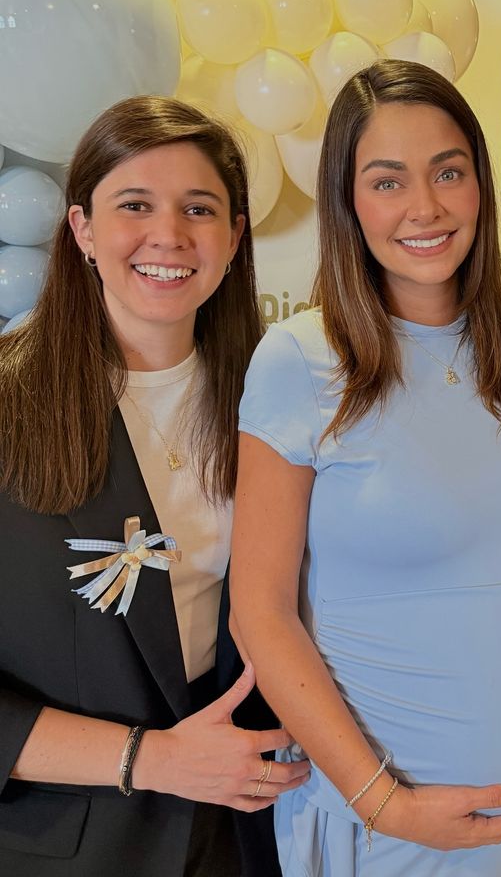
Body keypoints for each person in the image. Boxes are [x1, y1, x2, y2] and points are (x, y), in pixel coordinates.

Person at [230, 59, 501, 876]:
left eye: (448, 173)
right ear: (348, 202)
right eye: (387, 181)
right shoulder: (300, 359)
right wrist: (383, 800)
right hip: (390, 813)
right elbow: (259, 613)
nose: (425, 208)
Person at [0, 96, 310, 877]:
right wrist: (151, 759)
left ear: (234, 236)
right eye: (134, 204)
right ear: (83, 231)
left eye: (198, 208)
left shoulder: (280, 398)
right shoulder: (7, 406)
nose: (168, 235)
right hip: (73, 844)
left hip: (249, 833)